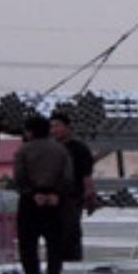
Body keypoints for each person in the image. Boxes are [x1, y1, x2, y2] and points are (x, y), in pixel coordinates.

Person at [13, 115, 73, 274]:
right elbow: (68, 176)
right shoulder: (61, 150)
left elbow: (19, 177)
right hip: (55, 201)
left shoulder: (23, 151)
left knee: (28, 242)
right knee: (55, 242)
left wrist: (33, 194)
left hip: (30, 201)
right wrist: (56, 193)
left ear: (30, 132)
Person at [49, 111, 96, 262]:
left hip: (72, 197)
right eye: (51, 126)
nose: (54, 130)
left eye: (58, 126)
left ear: (67, 127)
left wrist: (89, 193)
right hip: (51, 197)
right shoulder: (49, 149)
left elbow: (86, 174)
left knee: (70, 230)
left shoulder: (79, 149)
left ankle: (72, 261)